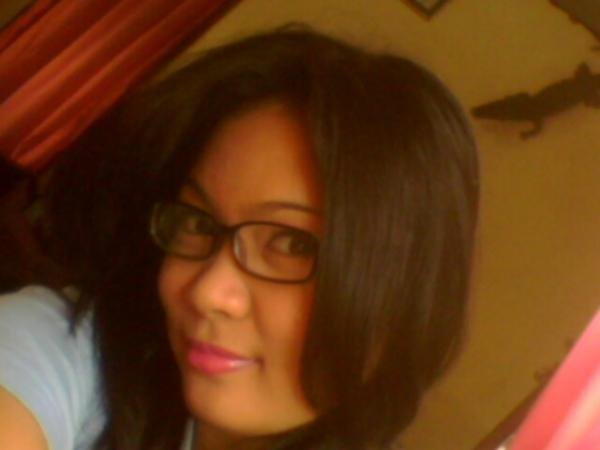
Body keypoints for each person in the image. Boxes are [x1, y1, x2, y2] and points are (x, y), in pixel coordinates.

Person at [0, 26, 479, 450]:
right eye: (198, 222)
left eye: (292, 245)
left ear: (406, 300)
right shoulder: (67, 348)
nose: (207, 292)